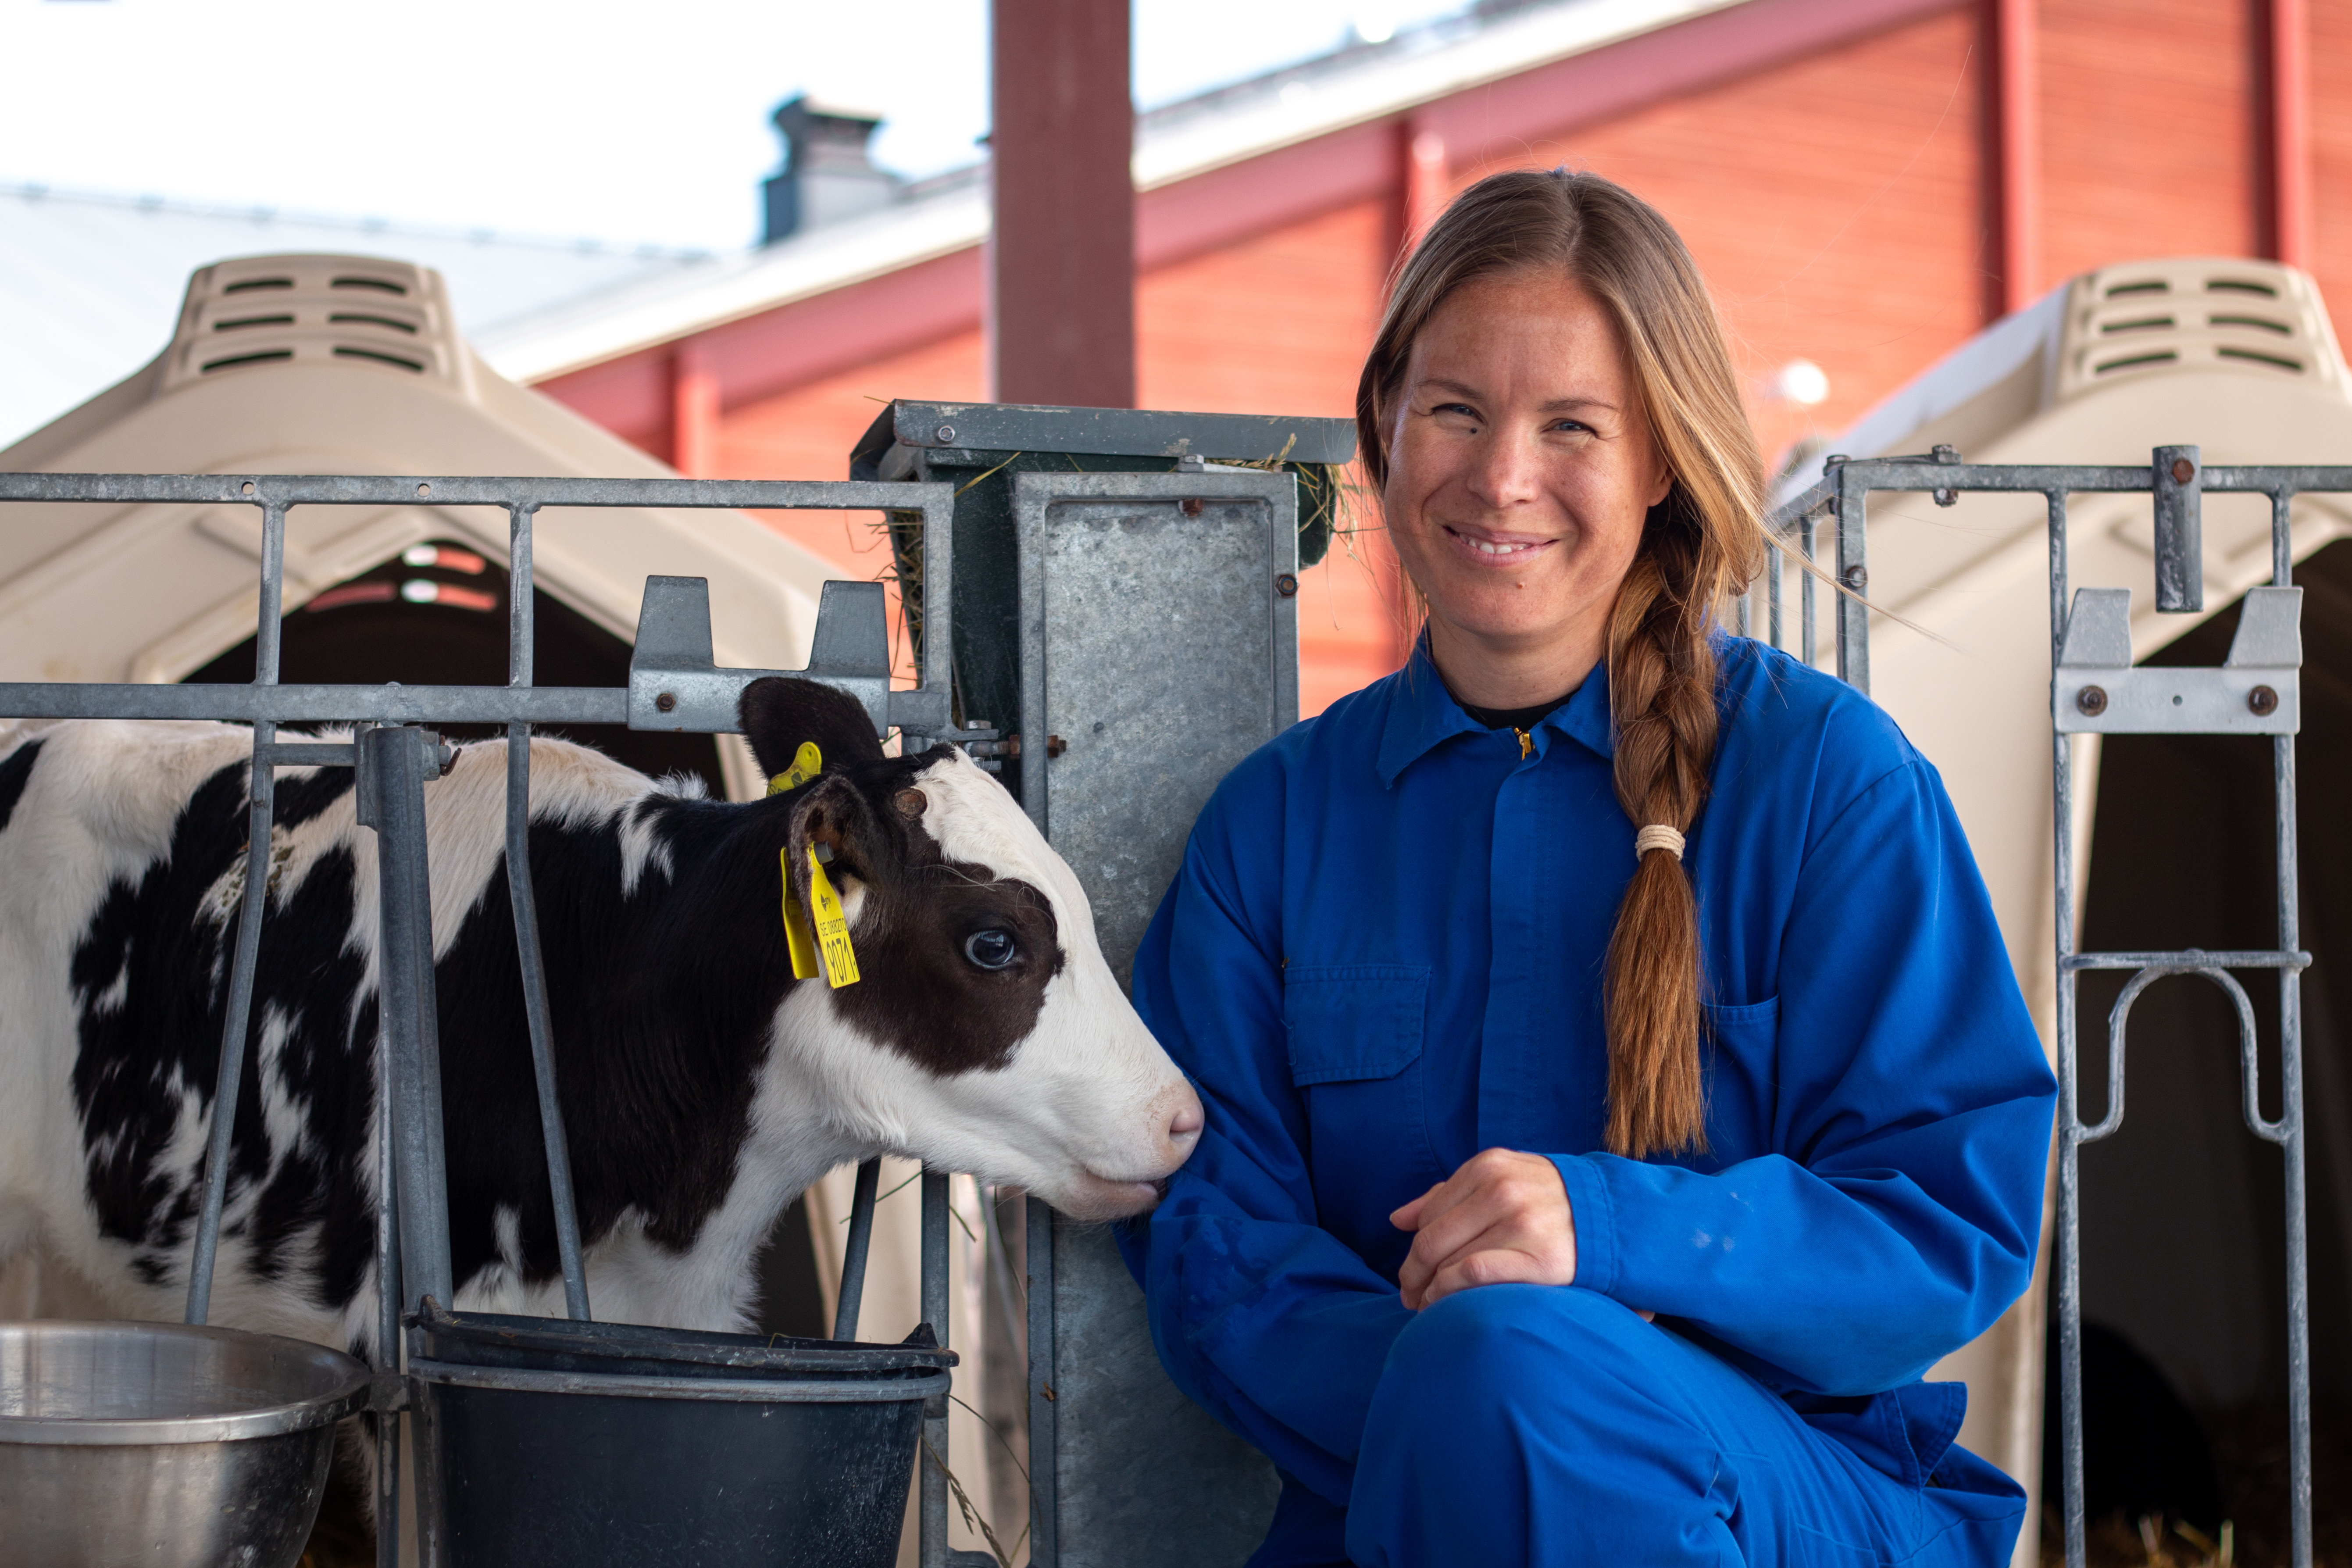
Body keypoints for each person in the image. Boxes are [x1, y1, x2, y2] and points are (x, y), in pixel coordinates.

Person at [1117, 169, 2059, 1567]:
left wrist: (1604, 1234)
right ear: (1382, 421)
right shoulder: (1275, 826)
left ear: (1662, 459)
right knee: (1494, 1378)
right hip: (1404, 1500)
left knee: (1506, 1370)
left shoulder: (1826, 782)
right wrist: (1480, 1420)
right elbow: (1214, 1252)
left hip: (1790, 1497)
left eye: (1572, 426)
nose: (1501, 477)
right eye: (1453, 409)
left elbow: (1941, 1222)